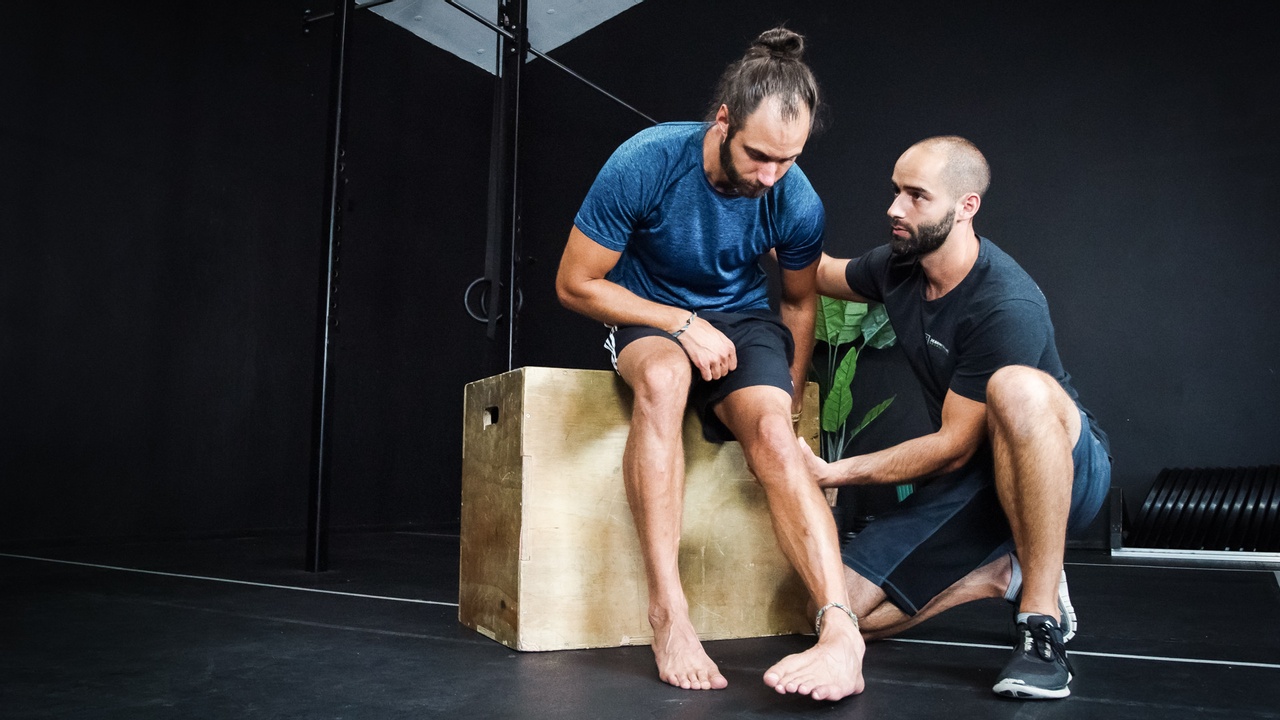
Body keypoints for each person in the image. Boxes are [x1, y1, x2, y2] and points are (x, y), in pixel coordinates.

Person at [555, 27, 864, 701]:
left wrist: (786, 398)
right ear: (723, 121)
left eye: (788, 159)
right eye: (759, 155)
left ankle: (842, 632)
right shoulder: (647, 161)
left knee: (773, 434)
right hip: (650, 309)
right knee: (666, 378)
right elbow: (575, 283)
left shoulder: (794, 197)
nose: (771, 176)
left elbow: (799, 303)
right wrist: (682, 323)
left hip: (743, 320)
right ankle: (669, 612)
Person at [803, 135, 1112, 699]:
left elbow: (952, 446)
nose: (895, 208)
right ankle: (1001, 576)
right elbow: (816, 271)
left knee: (1016, 388)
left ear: (966, 206)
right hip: (975, 483)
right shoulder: (899, 267)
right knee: (832, 610)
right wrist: (760, 210)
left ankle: (1040, 623)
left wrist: (833, 472)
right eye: (896, 191)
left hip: (1059, 472)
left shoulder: (1005, 304)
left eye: (916, 196)